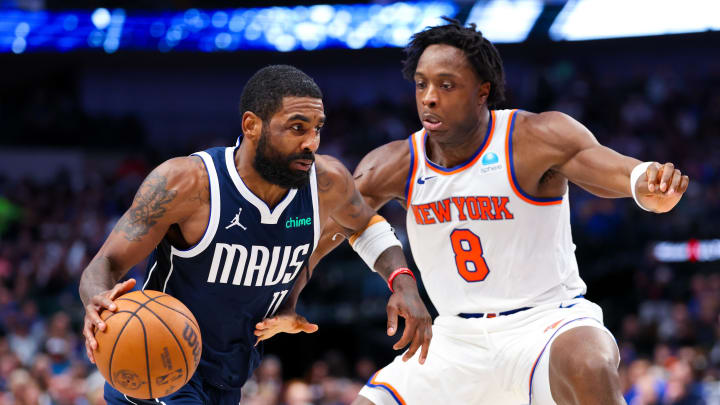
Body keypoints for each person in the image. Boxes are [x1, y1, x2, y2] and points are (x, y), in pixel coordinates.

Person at [255, 20, 690, 405]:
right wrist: (286, 298)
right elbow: (333, 228)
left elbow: (614, 171)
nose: (429, 99)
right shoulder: (395, 162)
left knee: (589, 362)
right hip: (453, 339)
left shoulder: (533, 137)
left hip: (546, 324)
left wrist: (647, 185)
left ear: (482, 90)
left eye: (446, 86)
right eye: (421, 84)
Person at [78, 65, 432, 405]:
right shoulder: (187, 182)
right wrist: (97, 299)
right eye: (297, 128)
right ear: (252, 125)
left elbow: (366, 224)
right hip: (156, 364)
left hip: (229, 379)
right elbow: (106, 263)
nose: (311, 141)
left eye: (317, 128)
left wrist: (402, 283)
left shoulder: (327, 183)